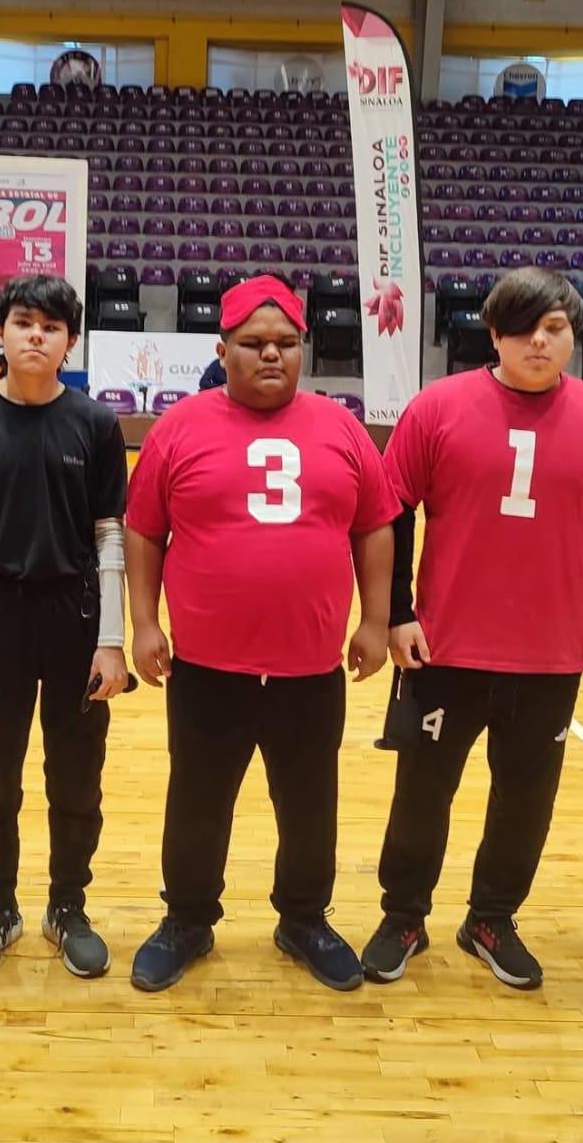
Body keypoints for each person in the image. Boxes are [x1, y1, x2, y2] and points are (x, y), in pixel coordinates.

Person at [361, 266, 583, 991]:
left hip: (552, 652)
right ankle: (404, 915)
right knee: (422, 792)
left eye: (555, 328)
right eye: (524, 328)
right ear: (494, 333)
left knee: (525, 798)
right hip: (444, 645)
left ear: (574, 335)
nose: (540, 341)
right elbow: (393, 512)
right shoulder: (438, 406)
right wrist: (396, 611)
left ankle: (491, 916)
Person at [124, 276, 395, 993]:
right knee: (198, 797)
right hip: (209, 665)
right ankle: (187, 918)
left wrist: (374, 618)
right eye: (253, 344)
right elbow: (144, 529)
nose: (271, 354)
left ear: (303, 349)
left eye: (285, 343)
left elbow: (376, 524)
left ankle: (303, 917)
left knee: (309, 800)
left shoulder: (340, 426)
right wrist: (145, 621)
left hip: (309, 666)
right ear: (223, 349)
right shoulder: (180, 426)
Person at [0, 274, 130, 982]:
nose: (36, 335)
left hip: (76, 616)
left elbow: (110, 535)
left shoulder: (95, 424)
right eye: (23, 322)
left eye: (52, 326)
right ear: (0, 332)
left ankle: (68, 906)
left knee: (77, 777)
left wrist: (111, 638)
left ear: (70, 340)